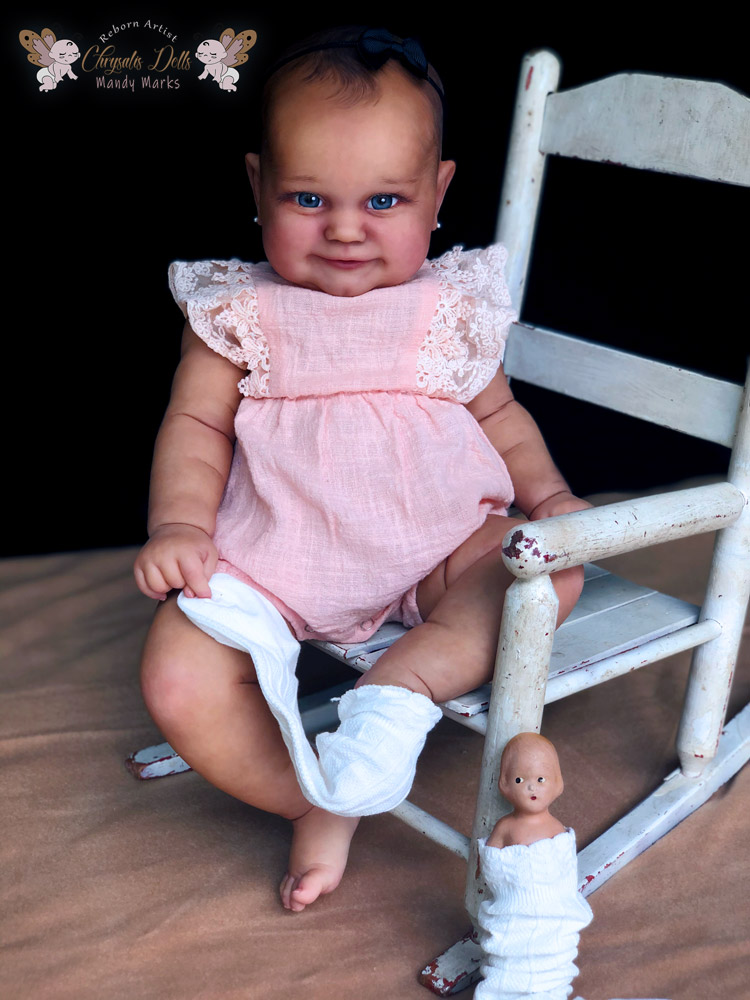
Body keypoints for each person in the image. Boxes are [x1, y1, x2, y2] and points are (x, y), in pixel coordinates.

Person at [134, 26, 590, 913]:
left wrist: (551, 496)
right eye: (308, 198)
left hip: (438, 547)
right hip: (273, 562)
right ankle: (316, 797)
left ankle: (396, 692)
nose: (345, 229)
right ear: (258, 185)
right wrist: (179, 526)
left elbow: (501, 418)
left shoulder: (448, 305)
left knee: (545, 573)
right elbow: (195, 426)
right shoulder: (238, 309)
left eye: (384, 200)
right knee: (176, 676)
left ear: (438, 192)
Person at [475, 734, 593, 999]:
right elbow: (492, 863)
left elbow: (564, 872)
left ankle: (547, 988)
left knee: (553, 948)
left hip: (551, 914)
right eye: (520, 780)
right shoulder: (506, 826)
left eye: (541, 779)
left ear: (558, 784)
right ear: (505, 785)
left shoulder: (558, 830)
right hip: (516, 913)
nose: (531, 787)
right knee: (511, 957)